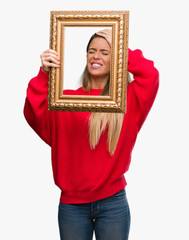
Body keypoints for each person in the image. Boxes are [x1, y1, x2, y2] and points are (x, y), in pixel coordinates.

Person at [23, 29, 159, 240]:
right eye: (92, 51)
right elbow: (35, 112)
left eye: (105, 52)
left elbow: (150, 74)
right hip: (72, 206)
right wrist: (44, 73)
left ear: (116, 58)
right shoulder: (66, 100)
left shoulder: (129, 100)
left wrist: (122, 46)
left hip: (113, 203)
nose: (96, 56)